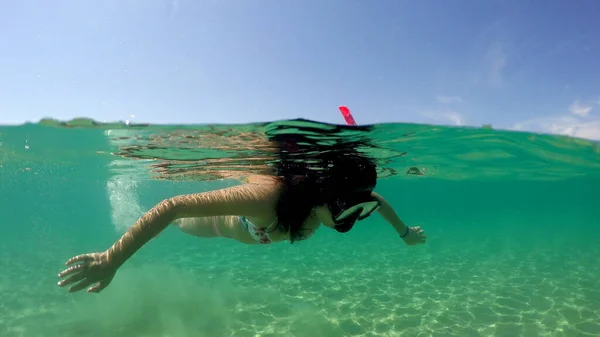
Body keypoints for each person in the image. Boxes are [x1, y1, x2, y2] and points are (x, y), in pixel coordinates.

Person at [57, 134, 427, 294]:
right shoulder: (267, 198)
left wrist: (405, 232)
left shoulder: (347, 198)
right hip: (215, 226)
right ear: (321, 194)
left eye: (357, 210)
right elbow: (173, 206)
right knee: (175, 223)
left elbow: (377, 201)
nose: (353, 218)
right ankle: (130, 213)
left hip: (258, 231)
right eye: (348, 209)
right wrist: (112, 258)